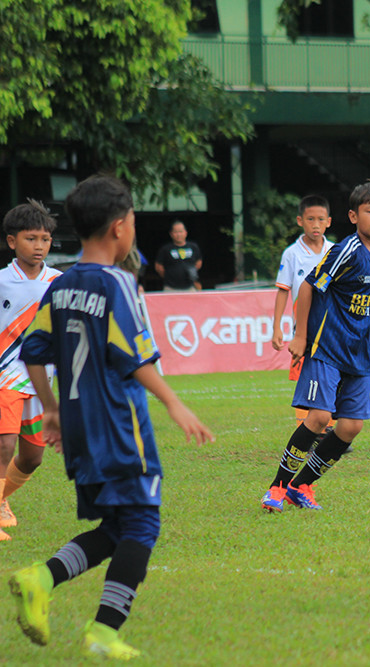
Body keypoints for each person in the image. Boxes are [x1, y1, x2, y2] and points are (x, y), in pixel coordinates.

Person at [9, 175, 214, 659]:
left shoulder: (61, 285)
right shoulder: (116, 283)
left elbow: (34, 351)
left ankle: (41, 577)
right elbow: (135, 357)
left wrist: (52, 408)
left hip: (78, 426)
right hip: (120, 426)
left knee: (118, 528)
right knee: (143, 525)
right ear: (120, 228)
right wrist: (173, 403)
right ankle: (104, 630)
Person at [260, 180, 370, 513]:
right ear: (353, 216)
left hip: (358, 353)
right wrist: (300, 336)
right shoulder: (346, 250)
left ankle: (301, 485)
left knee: (351, 426)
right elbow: (308, 288)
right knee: (320, 417)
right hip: (327, 347)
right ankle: (277, 488)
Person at [0, 201, 62, 543]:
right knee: (3, 443)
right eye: (30, 239)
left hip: (41, 381)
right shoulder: (2, 282)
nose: (39, 246)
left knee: (33, 457)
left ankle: (2, 498)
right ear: (12, 242)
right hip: (4, 375)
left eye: (45, 239)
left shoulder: (59, 282)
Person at [270, 195, 335, 431]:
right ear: (300, 221)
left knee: (334, 375)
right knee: (305, 375)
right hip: (305, 328)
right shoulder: (292, 254)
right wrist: (277, 326)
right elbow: (283, 291)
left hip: (333, 327)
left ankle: (330, 428)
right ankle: (304, 429)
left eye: (320, 219)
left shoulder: (335, 251)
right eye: (310, 219)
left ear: (329, 221)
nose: (315, 225)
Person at [154, 220, 201, 291]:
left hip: (190, 287)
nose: (178, 234)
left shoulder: (193, 247)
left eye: (181, 232)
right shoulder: (165, 249)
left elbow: (198, 262)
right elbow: (158, 267)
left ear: (185, 233)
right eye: (176, 232)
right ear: (171, 234)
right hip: (170, 288)